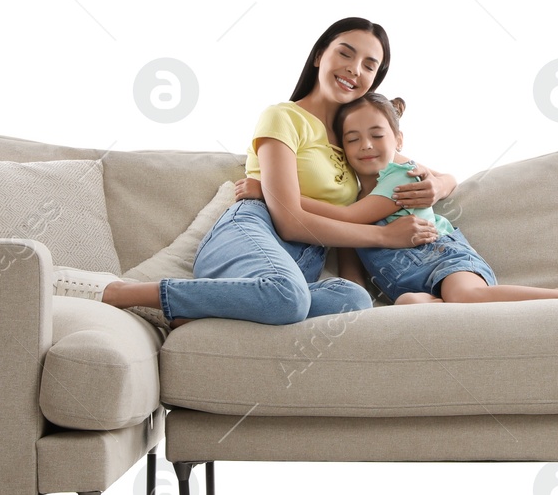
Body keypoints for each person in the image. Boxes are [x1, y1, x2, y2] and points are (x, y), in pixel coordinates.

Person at [52, 17, 459, 325]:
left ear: (375, 79)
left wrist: (437, 187)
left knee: (352, 301)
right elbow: (289, 219)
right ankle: (117, 291)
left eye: (370, 65)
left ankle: (229, 303)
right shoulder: (284, 117)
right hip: (253, 231)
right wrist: (384, 236)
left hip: (302, 264)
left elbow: (438, 175)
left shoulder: (358, 145)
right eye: (346, 53)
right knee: (287, 296)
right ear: (321, 55)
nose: (355, 69)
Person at [275, 92, 558, 304]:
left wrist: (278, 193)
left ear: (398, 140)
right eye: (353, 139)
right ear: (340, 146)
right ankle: (441, 303)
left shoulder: (402, 178)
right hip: (407, 286)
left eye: (377, 135)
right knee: (407, 304)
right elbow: (349, 248)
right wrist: (357, 298)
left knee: (465, 296)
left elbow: (352, 219)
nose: (365, 145)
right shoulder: (350, 196)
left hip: (444, 259)